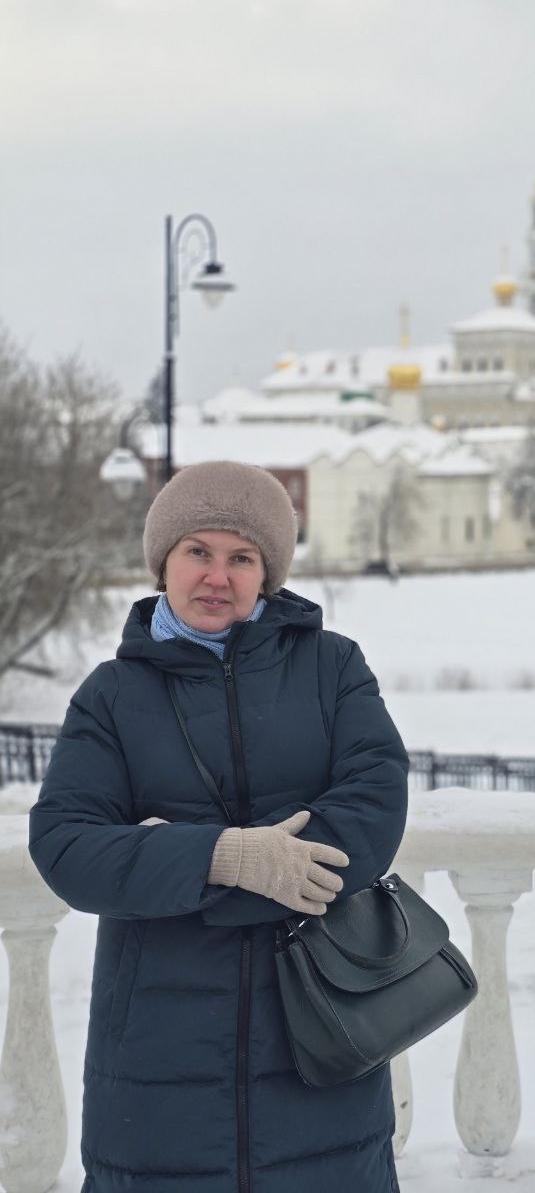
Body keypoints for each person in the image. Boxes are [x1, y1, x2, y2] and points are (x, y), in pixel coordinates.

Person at [28, 460, 409, 1193]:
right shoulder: (111, 696)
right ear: (163, 562)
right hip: (155, 1061)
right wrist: (223, 858)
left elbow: (374, 808)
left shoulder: (333, 669)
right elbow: (67, 845)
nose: (216, 576)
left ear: (266, 575)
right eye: (197, 551)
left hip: (321, 1039)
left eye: (242, 558)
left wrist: (173, 867)